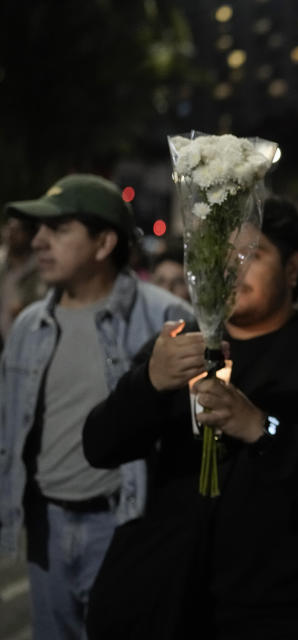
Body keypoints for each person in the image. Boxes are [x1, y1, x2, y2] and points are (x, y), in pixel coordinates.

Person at [82, 197, 298, 639]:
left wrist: (262, 428)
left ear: (293, 268)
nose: (232, 269)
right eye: (221, 256)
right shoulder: (180, 345)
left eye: (252, 256)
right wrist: (148, 383)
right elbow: (100, 445)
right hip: (171, 598)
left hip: (280, 607)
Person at [0, 174, 191, 640]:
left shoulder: (166, 318)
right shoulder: (29, 324)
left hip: (125, 522)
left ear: (105, 242)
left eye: (59, 229)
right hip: (45, 525)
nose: (40, 241)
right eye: (39, 230)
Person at [0, 215, 46, 344]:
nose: (11, 234)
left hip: (32, 340)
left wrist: (25, 310)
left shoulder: (42, 266)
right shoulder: (2, 263)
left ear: (29, 235)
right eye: (8, 228)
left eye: (17, 230)